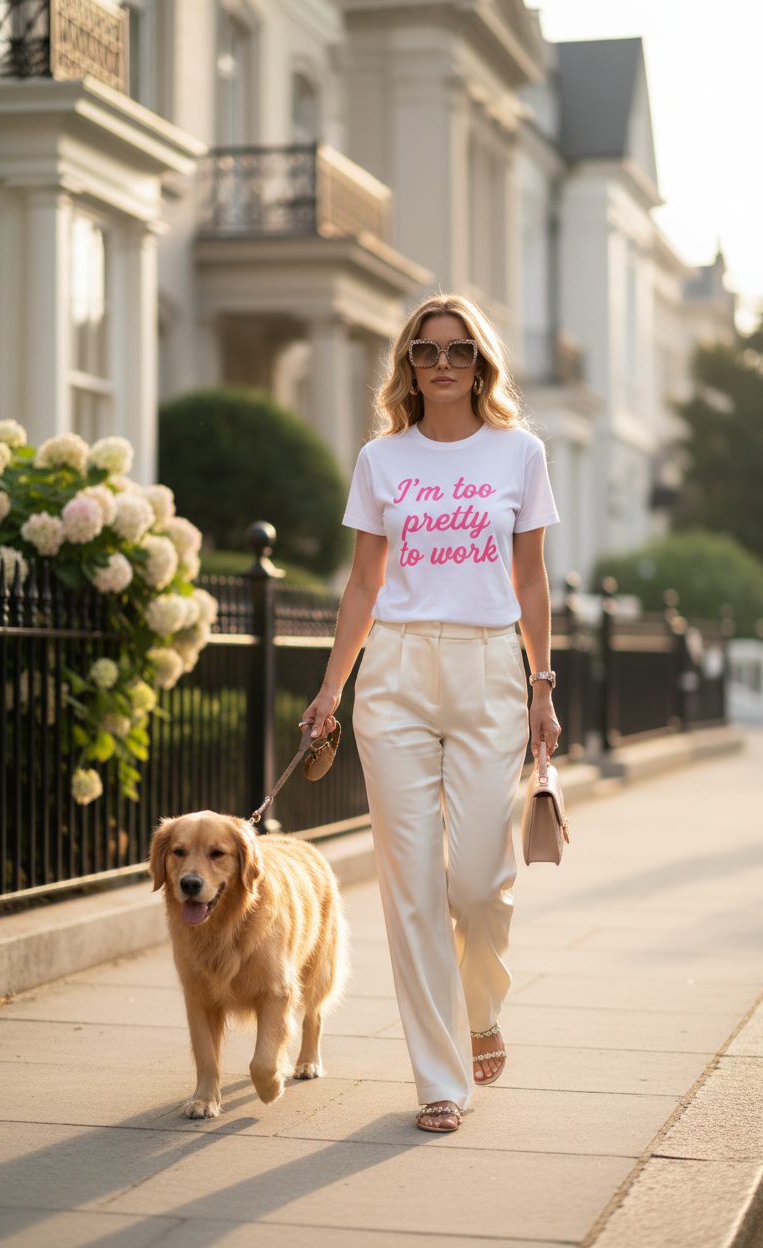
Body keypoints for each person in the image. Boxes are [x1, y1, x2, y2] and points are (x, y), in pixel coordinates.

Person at [303, 293, 561, 1133]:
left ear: (481, 363)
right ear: (407, 367)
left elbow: (531, 581)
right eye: (426, 350)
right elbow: (363, 584)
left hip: (489, 670)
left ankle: (481, 1006)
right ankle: (440, 1079)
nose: (442, 364)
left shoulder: (520, 453)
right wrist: (331, 689)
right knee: (412, 889)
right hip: (396, 673)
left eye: (458, 350)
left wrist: (542, 686)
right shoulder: (381, 460)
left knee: (482, 881)